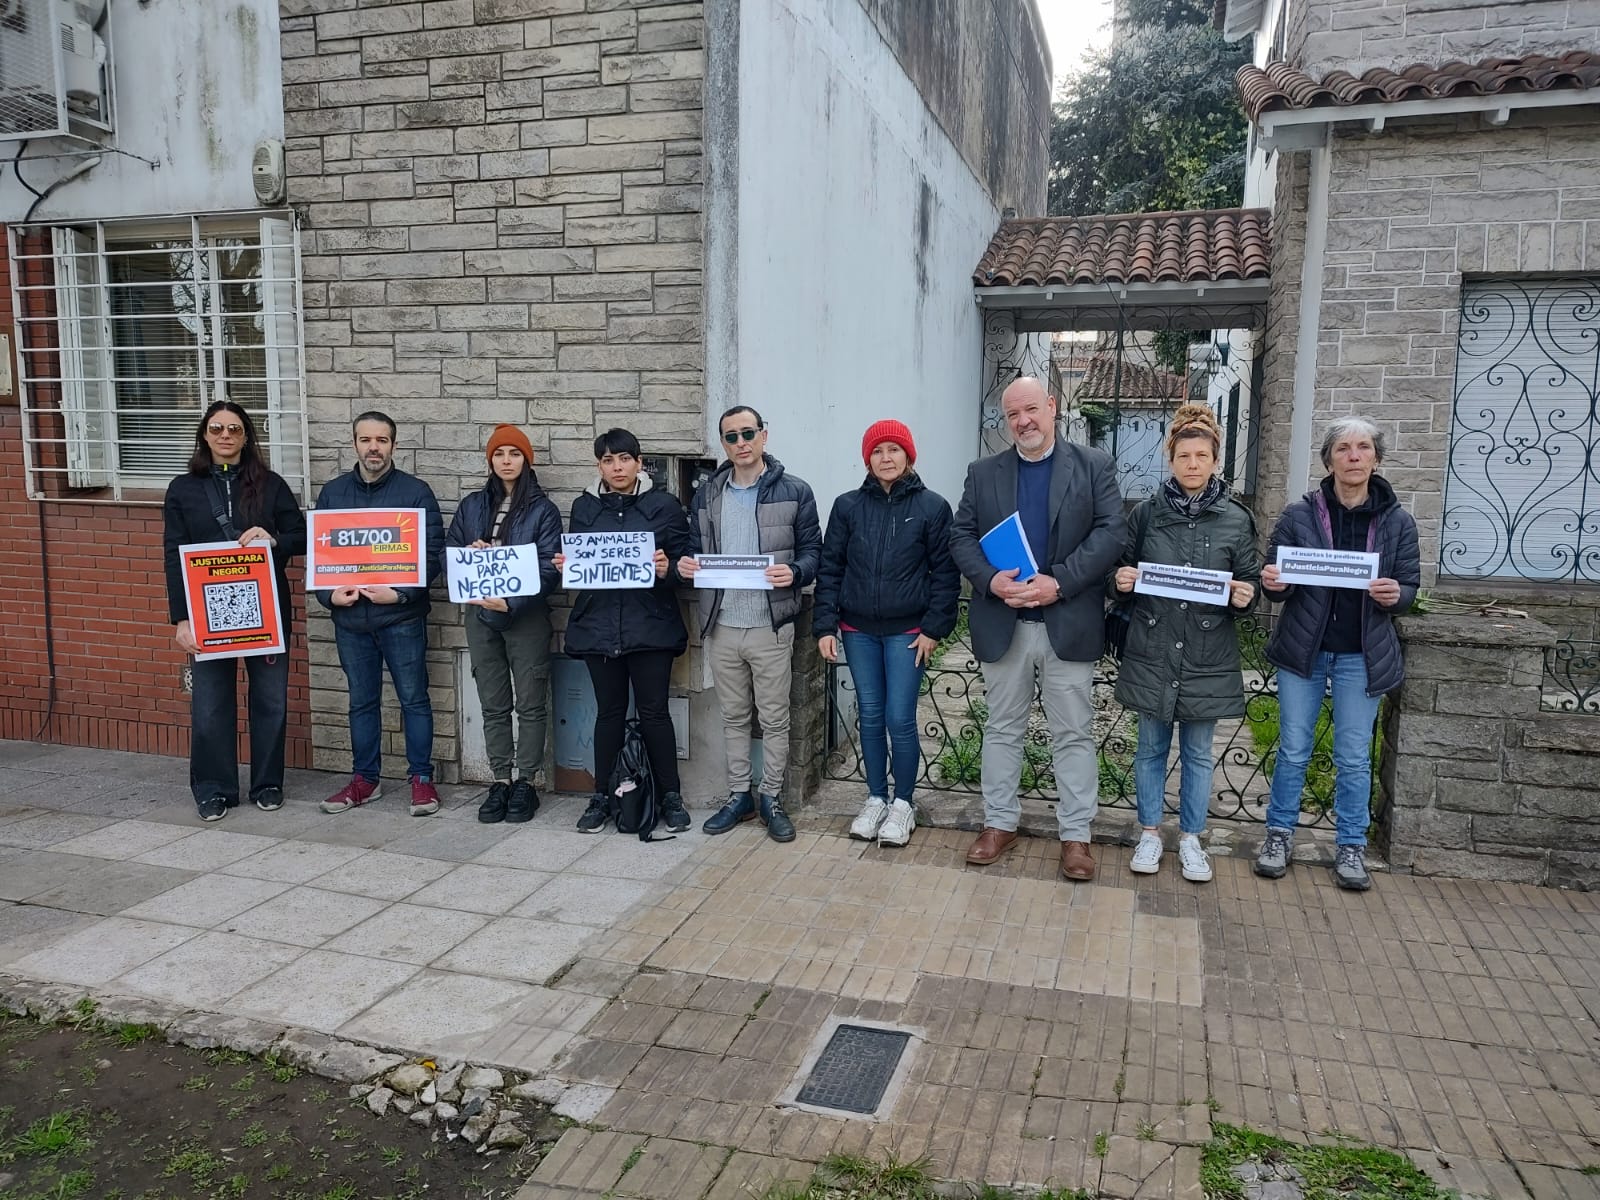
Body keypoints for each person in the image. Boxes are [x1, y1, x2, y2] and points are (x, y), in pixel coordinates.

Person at [948, 377, 1123, 881]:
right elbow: (962, 535)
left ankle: (1076, 835)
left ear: (1052, 407)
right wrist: (989, 581)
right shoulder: (983, 473)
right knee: (1002, 729)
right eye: (1012, 415)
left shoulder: (1094, 466)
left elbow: (1112, 532)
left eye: (1031, 409)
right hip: (1005, 621)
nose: (1023, 421)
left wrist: (1059, 583)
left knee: (1073, 733)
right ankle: (999, 823)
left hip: (1065, 620)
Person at [1255, 415, 1420, 891]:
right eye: (1343, 448)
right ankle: (1278, 835)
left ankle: (1350, 844)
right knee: (1292, 749)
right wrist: (1276, 583)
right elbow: (1276, 580)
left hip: (1360, 655)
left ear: (1376, 459)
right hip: (1305, 651)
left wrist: (1399, 595)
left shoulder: (1397, 522)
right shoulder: (1299, 516)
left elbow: (1409, 584)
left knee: (1352, 755)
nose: (1353, 456)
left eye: (1363, 447)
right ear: (1328, 459)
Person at [1110, 404, 1260, 883]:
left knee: (1197, 752)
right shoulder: (1146, 515)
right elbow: (1118, 570)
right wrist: (1121, 580)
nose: (1193, 464)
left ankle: (1193, 839)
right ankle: (1150, 834)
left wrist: (1245, 594)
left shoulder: (1236, 519)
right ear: (1169, 460)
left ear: (1216, 460)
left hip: (1206, 651)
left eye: (1202, 456)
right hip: (1153, 648)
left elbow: (1250, 581)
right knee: (1150, 748)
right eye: (1183, 456)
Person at [678, 406, 822, 844]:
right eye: (731, 436)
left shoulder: (795, 491)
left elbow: (815, 552)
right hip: (722, 625)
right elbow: (693, 547)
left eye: (747, 434)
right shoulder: (708, 494)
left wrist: (795, 572)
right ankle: (739, 795)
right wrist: (685, 563)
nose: (740, 443)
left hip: (770, 626)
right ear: (723, 443)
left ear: (763, 435)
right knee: (735, 717)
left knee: (775, 719)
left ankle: (770, 798)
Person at [814, 420, 960, 847]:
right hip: (857, 629)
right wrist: (825, 623)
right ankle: (876, 797)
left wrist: (934, 628)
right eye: (878, 451)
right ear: (868, 459)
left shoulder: (933, 507)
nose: (886, 458)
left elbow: (945, 575)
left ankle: (904, 804)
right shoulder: (847, 506)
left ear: (909, 456)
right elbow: (830, 568)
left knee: (899, 718)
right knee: (871, 717)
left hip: (908, 632)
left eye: (895, 450)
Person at [162, 401, 307, 821]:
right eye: (217, 428)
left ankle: (267, 783)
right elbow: (173, 555)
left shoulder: (272, 484)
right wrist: (181, 619)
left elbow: (301, 536)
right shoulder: (183, 488)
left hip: (266, 612)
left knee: (270, 700)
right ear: (204, 435)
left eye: (235, 429)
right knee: (210, 703)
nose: (225, 436)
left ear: (247, 436)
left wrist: (274, 538)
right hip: (206, 615)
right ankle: (213, 788)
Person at [557, 428, 693, 835]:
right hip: (599, 627)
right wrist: (568, 567)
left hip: (649, 624)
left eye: (624, 459)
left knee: (654, 713)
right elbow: (581, 562)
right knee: (609, 715)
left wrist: (669, 570)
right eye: (607, 460)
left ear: (639, 462)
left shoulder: (665, 506)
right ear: (598, 465)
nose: (617, 468)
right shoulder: (584, 507)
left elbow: (685, 561)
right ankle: (602, 795)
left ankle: (671, 795)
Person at [315, 411, 445, 817]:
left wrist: (401, 594)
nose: (374, 447)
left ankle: (422, 780)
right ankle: (364, 780)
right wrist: (328, 597)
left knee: (414, 700)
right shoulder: (333, 494)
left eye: (382, 440)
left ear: (394, 445)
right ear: (354, 443)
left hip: (401, 620)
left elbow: (432, 556)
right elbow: (322, 558)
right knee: (361, 702)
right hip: (351, 622)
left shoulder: (416, 492)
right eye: (366, 439)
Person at [446, 425, 563, 825]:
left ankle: (526, 781)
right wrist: (469, 550)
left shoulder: (542, 510)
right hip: (480, 615)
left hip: (526, 616)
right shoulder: (471, 505)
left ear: (526, 460)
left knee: (530, 703)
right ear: (490, 460)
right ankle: (500, 778)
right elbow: (451, 556)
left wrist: (512, 600)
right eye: (500, 454)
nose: (507, 460)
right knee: (493, 702)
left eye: (515, 453)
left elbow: (550, 568)